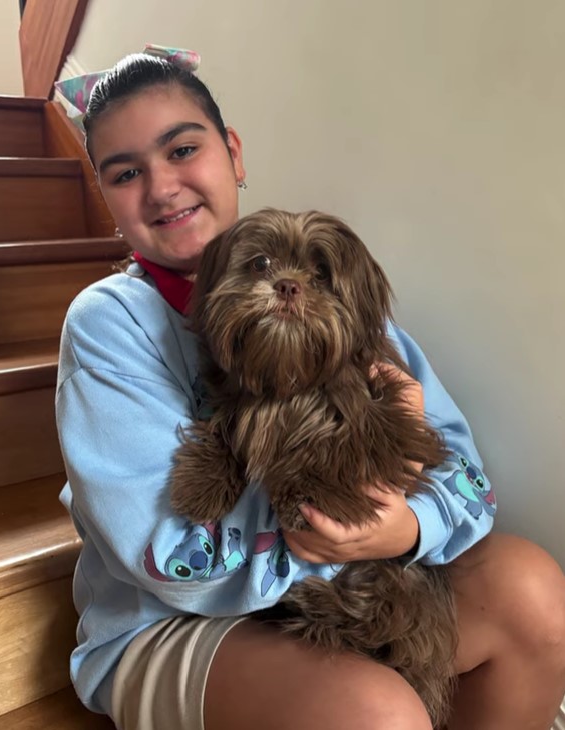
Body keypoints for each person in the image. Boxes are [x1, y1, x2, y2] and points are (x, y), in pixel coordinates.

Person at [56, 52, 565, 730]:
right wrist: (332, 536)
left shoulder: (341, 301)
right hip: (171, 620)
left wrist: (406, 527)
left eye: (182, 149)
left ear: (232, 151)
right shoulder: (108, 323)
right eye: (126, 173)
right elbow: (165, 556)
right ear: (103, 192)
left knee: (534, 593)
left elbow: (463, 476)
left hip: (365, 588)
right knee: (375, 714)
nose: (162, 187)